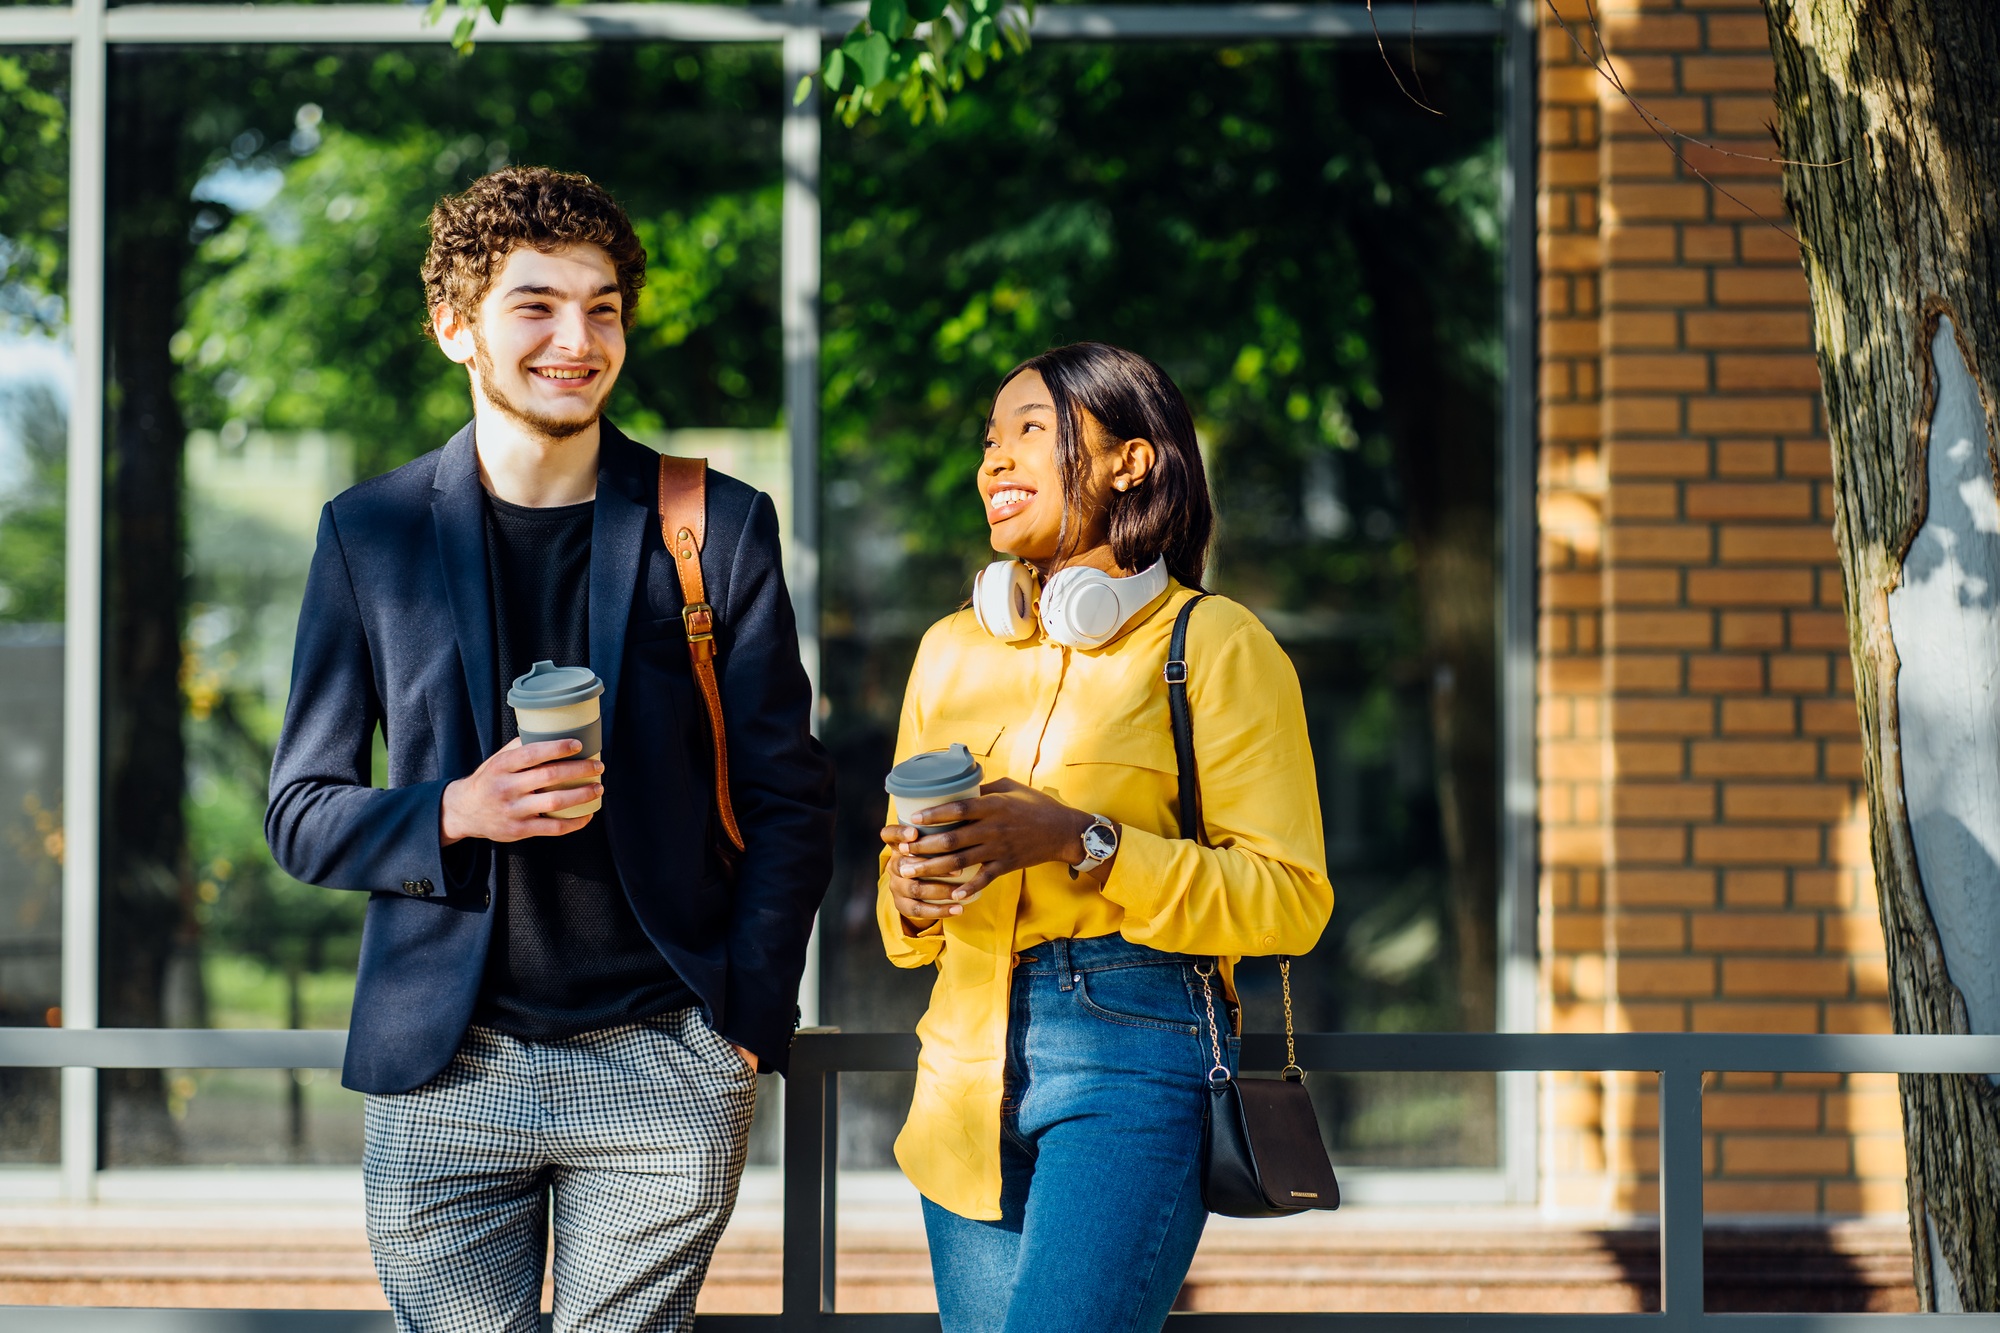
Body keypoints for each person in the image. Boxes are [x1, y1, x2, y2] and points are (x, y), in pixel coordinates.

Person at [266, 166, 835, 1333]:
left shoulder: (714, 523)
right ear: (455, 328)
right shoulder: (367, 534)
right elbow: (301, 810)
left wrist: (741, 1027)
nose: (577, 338)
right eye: (535, 304)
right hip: (442, 1070)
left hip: (663, 1059)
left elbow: (791, 796)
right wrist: (453, 810)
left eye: (602, 306)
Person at [877, 341, 1334, 1332]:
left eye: (1030, 431)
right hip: (963, 1063)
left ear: (1132, 460)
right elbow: (894, 886)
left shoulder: (1212, 644)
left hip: (1135, 1036)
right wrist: (911, 892)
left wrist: (1084, 841)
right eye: (988, 441)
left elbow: (1289, 898)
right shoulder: (949, 651)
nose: (993, 462)